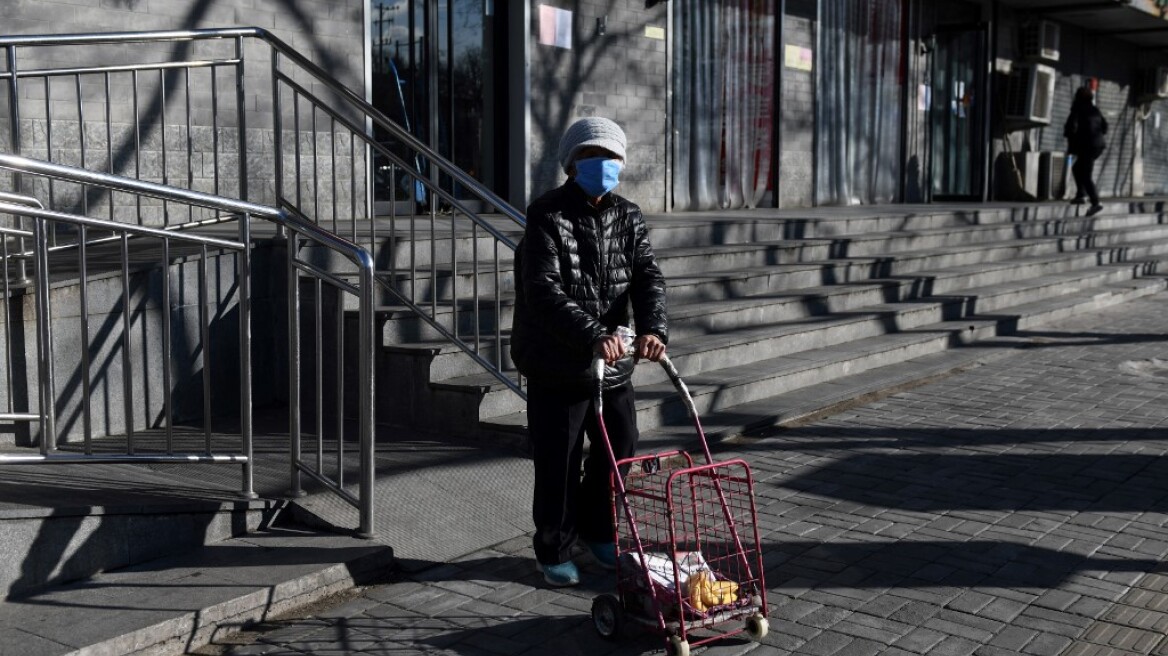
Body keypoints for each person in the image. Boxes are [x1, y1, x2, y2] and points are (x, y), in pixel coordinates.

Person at [511, 117, 669, 587]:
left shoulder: (629, 214)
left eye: (611, 157)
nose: (603, 165)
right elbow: (542, 289)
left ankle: (600, 531)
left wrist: (653, 329)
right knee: (558, 461)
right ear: (572, 163)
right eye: (591, 156)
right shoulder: (547, 214)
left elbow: (647, 276)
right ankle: (554, 546)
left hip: (613, 366)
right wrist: (591, 333)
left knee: (618, 451)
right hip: (558, 364)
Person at [1064, 86, 1108, 217]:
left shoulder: (1077, 109)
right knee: (1078, 168)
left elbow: (1071, 127)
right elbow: (1105, 126)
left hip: (1087, 145)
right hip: (1097, 145)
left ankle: (1096, 203)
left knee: (1085, 174)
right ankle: (1080, 195)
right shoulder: (1095, 110)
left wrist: (1071, 138)